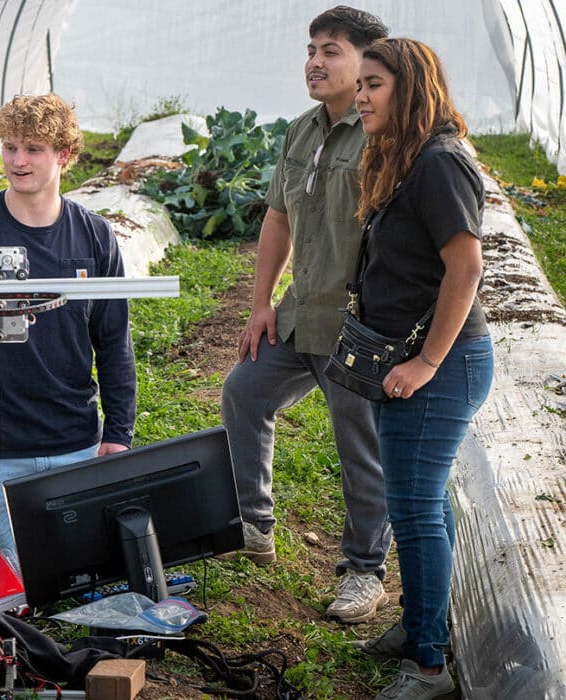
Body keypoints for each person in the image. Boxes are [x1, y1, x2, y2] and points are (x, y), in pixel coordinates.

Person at [0, 93, 136, 568]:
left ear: (64, 156)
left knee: (75, 579)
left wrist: (118, 433)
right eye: (9, 147)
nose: (17, 160)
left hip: (73, 443)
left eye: (33, 148)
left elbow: (114, 342)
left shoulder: (94, 237)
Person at [220, 6, 393, 624]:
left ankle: (365, 568)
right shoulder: (301, 130)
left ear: (369, 63)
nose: (315, 61)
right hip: (299, 314)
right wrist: (262, 302)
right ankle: (253, 524)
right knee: (244, 391)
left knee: (359, 446)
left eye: (332, 50)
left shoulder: (382, 133)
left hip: (357, 326)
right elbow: (279, 217)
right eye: (311, 49)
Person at [346, 37, 492, 700]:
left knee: (412, 508)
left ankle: (428, 665)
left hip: (441, 363)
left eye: (374, 84)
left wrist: (429, 360)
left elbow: (466, 266)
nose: (361, 95)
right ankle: (423, 626)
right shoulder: (406, 159)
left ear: (410, 87)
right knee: (423, 504)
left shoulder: (438, 162)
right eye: (361, 86)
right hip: (407, 358)